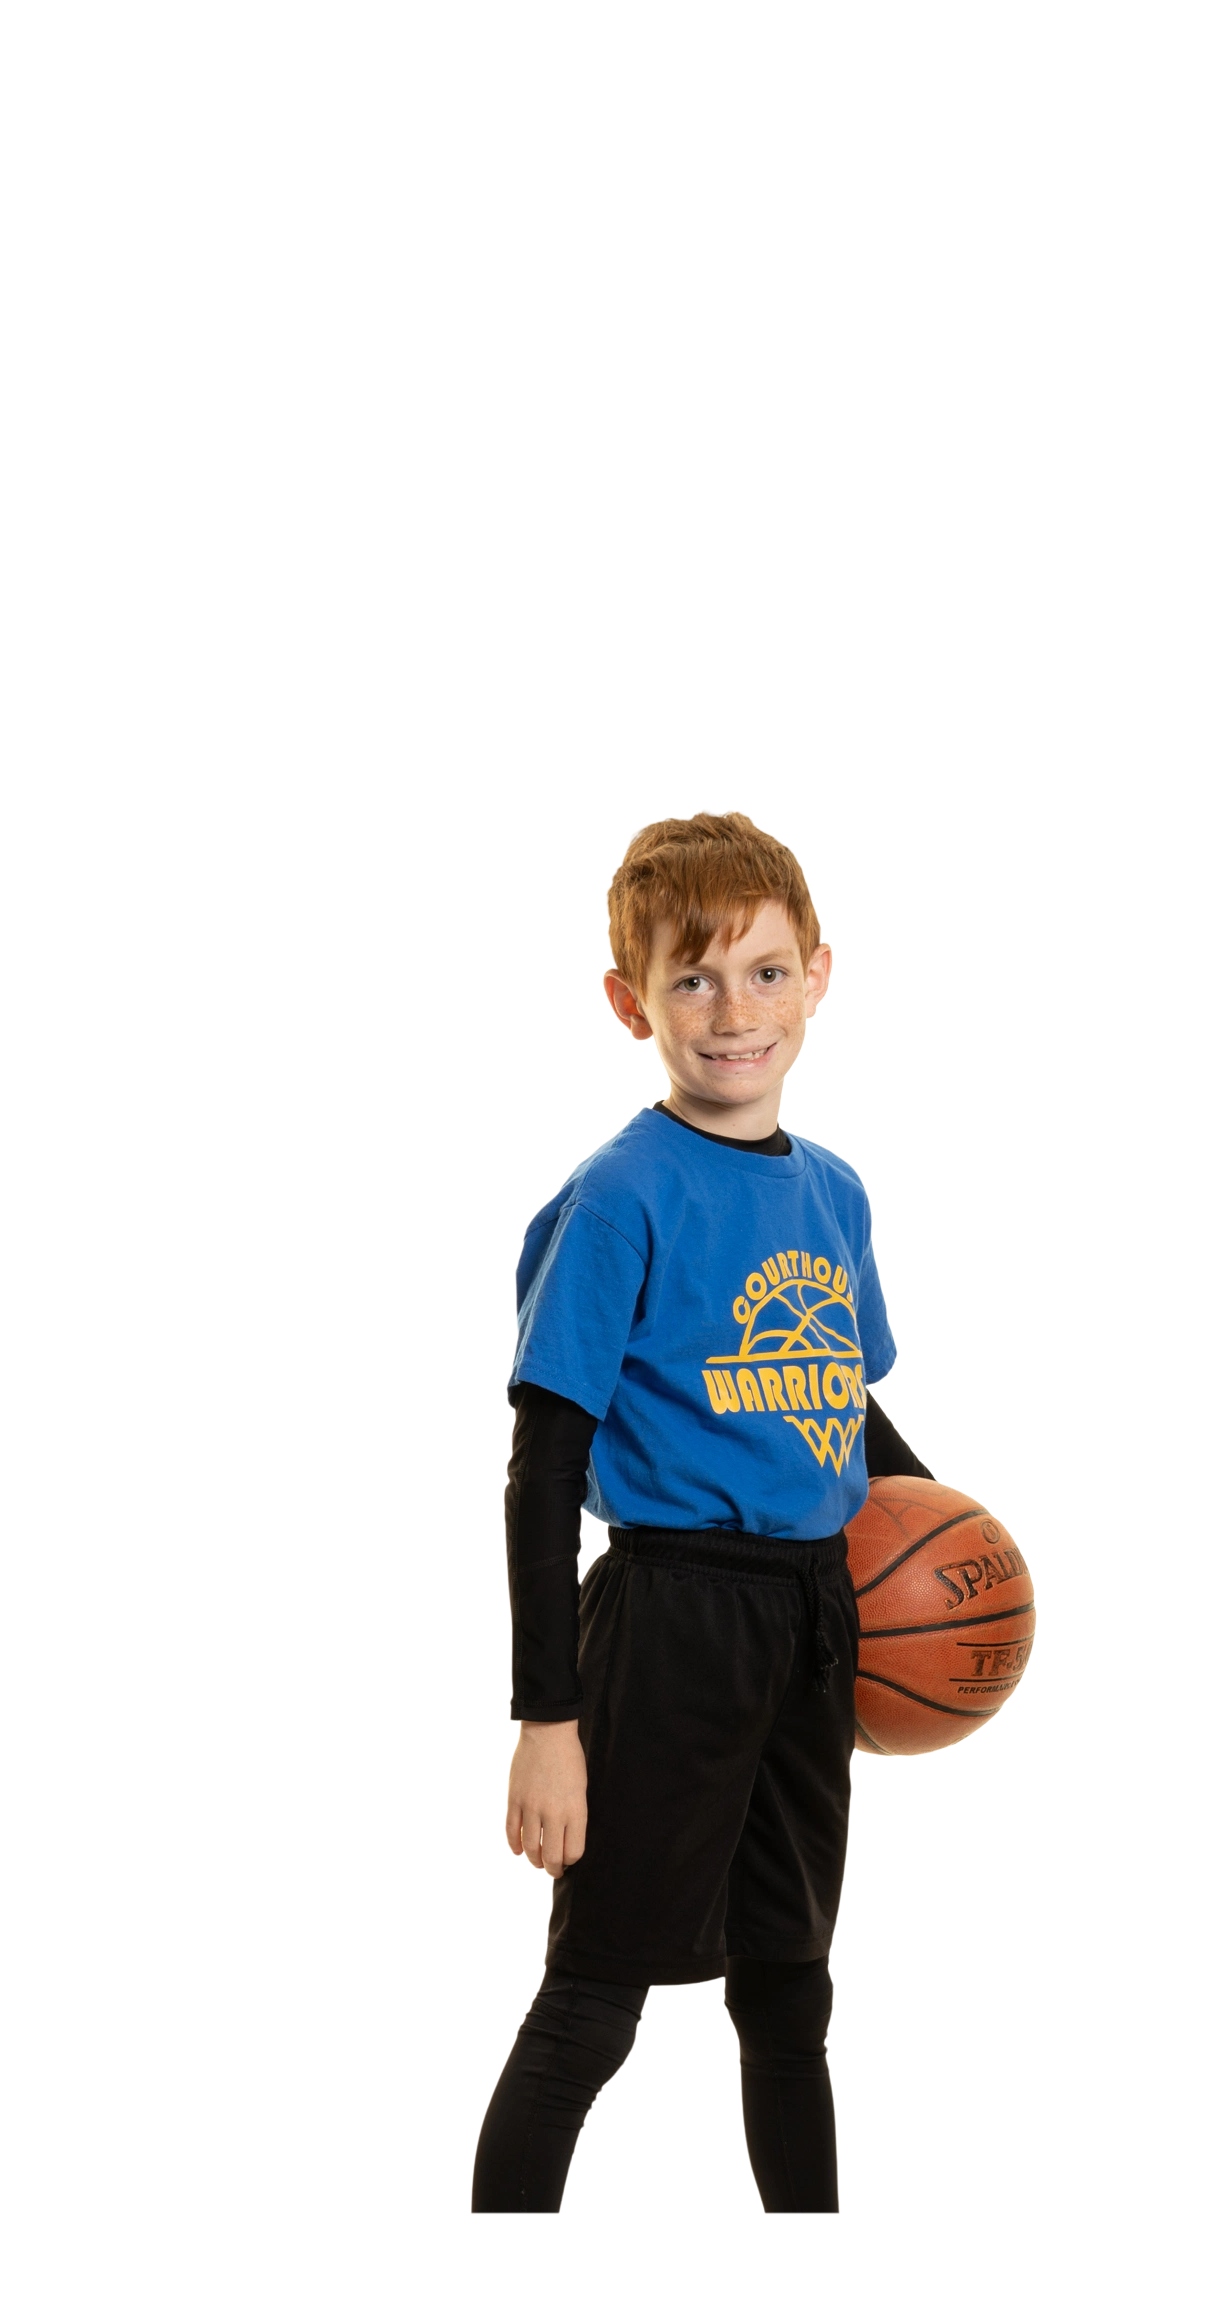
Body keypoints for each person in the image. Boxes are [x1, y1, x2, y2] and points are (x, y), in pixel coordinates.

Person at [470, 809, 937, 2215]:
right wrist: (548, 1722)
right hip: (669, 1621)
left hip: (811, 1619)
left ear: (819, 977)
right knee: (592, 2005)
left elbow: (841, 1405)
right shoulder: (621, 1197)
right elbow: (543, 1469)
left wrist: (957, 1548)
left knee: (791, 1997)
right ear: (632, 1002)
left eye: (766, 972)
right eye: (693, 978)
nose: (735, 1012)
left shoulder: (834, 1192)